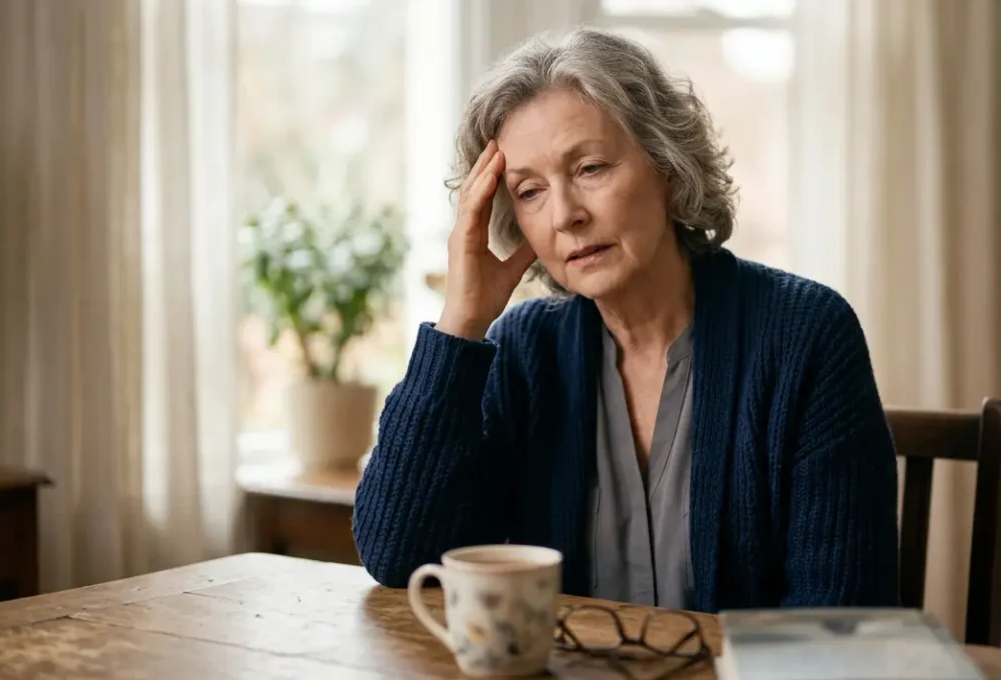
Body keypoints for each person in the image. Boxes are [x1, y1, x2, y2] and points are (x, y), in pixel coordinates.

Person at [352, 27, 899, 613]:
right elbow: (397, 555)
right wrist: (462, 322)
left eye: (590, 168)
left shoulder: (806, 335)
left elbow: (840, 617)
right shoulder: (523, 352)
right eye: (530, 191)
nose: (565, 215)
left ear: (666, 163)